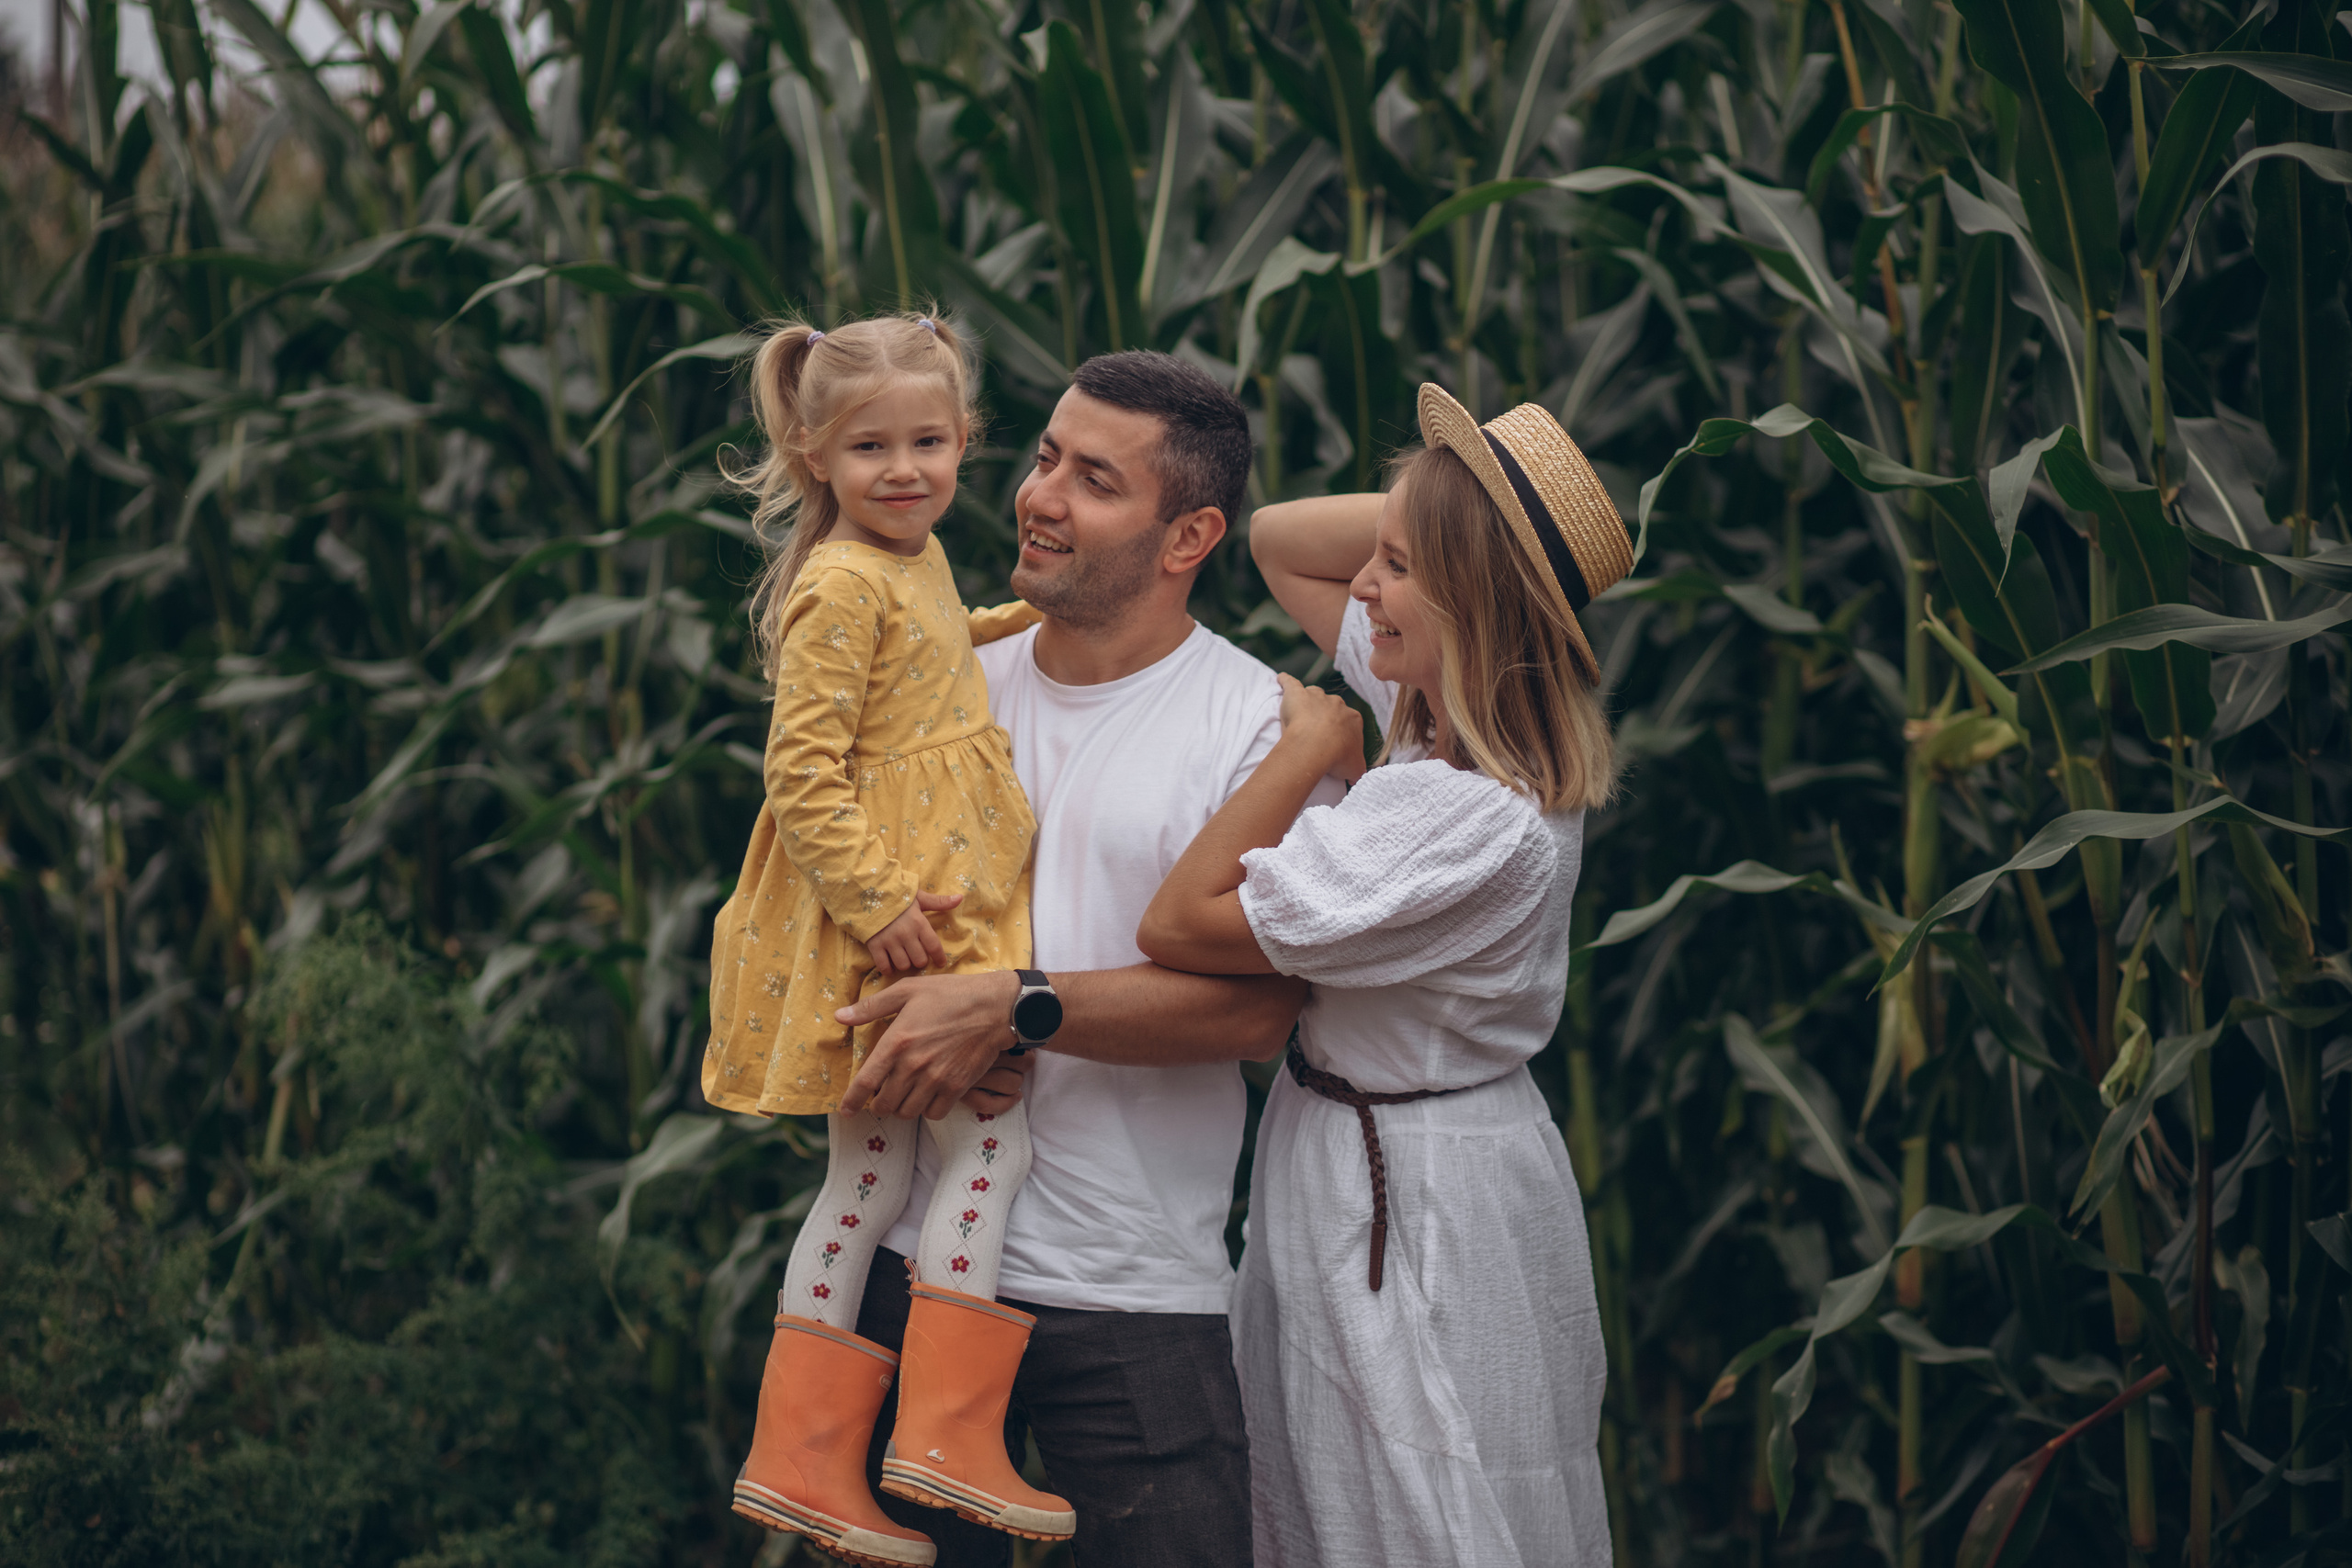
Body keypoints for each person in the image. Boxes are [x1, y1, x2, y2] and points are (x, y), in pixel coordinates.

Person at [823, 349, 1343, 1568]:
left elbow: (1257, 1012)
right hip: (905, 1267)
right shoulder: (940, 685)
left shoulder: (1261, 733)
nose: (1040, 496)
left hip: (1133, 1291)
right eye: (1047, 457)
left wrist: (1013, 1009)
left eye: (1096, 480)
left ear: (1188, 537)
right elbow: (831, 916)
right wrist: (903, 1005)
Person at [1137, 384, 1631, 1567]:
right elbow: (1277, 539)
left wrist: (1307, 746)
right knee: (1359, 1487)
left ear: (1475, 602)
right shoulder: (1435, 716)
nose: (1363, 586)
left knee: (1418, 1507)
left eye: (1400, 568)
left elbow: (1180, 923)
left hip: (1417, 1202)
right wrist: (1454, 504)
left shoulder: (1463, 815)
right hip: (1383, 1158)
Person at [702, 310, 1073, 1568]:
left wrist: (1001, 626)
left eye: (928, 441)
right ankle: (943, 1439)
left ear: (965, 439)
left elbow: (917, 657)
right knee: (985, 1148)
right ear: (814, 454)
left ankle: (805, 1460)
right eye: (871, 448)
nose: (905, 469)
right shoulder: (842, 581)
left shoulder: (903, 559)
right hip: (896, 924)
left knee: (868, 1179)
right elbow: (801, 776)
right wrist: (881, 909)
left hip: (906, 906)